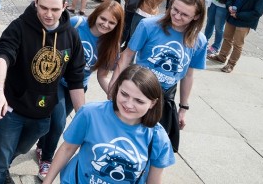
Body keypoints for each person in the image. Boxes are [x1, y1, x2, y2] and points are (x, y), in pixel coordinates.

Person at [0, 0, 86, 184]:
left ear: (64, 7)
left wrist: (84, 117)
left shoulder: (71, 36)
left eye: (55, 9)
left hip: (42, 115)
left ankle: (4, 166)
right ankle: (0, 170)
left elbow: (76, 80)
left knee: (18, 149)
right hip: (11, 110)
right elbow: (3, 57)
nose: (49, 14)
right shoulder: (19, 27)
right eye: (44, 7)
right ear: (35, 2)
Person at [35, 1, 125, 180]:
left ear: (117, 25)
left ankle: (41, 146)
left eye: (112, 23)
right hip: (56, 80)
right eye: (103, 19)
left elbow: (101, 76)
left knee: (55, 122)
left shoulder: (111, 45)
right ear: (96, 14)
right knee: (59, 122)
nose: (106, 25)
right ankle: (47, 159)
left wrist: (115, 95)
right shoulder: (77, 24)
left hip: (77, 87)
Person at [109, 0, 207, 152]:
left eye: (184, 15)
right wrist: (114, 84)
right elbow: (127, 55)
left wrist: (183, 108)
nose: (176, 16)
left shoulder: (199, 40)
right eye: (174, 9)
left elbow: (188, 75)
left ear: (196, 16)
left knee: (153, 147)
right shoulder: (149, 25)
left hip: (165, 98)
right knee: (123, 140)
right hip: (138, 91)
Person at [42, 64, 175, 184]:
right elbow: (67, 149)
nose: (128, 105)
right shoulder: (90, 114)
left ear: (153, 103)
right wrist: (47, 182)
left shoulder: (158, 138)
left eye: (139, 101)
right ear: (117, 88)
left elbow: (154, 179)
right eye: (124, 94)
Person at [208, 0, 263, 73]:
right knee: (227, 38)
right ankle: (221, 57)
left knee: (238, 44)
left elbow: (257, 12)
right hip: (232, 17)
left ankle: (230, 64)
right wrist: (229, 6)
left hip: (244, 22)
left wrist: (238, 15)